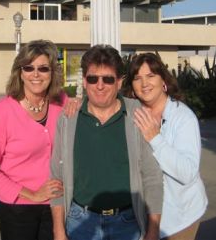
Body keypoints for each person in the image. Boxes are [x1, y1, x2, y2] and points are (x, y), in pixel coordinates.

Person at [50, 44, 163, 240]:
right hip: (80, 222)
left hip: (128, 224)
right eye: (93, 79)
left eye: (108, 79)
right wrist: (58, 231)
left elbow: (152, 178)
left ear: (119, 82)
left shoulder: (137, 116)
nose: (99, 85)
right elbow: (56, 177)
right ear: (85, 81)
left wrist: (152, 232)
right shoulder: (69, 119)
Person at [0, 39, 67, 240]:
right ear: (20, 72)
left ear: (52, 73)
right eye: (29, 68)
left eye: (43, 68)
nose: (35, 74)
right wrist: (32, 194)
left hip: (56, 205)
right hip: (17, 209)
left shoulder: (61, 102)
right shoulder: (5, 110)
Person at [123, 53, 208, 240]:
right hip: (143, 215)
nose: (144, 83)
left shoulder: (183, 118)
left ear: (163, 81)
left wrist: (155, 138)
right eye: (137, 78)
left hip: (179, 218)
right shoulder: (132, 114)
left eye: (151, 76)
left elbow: (187, 173)